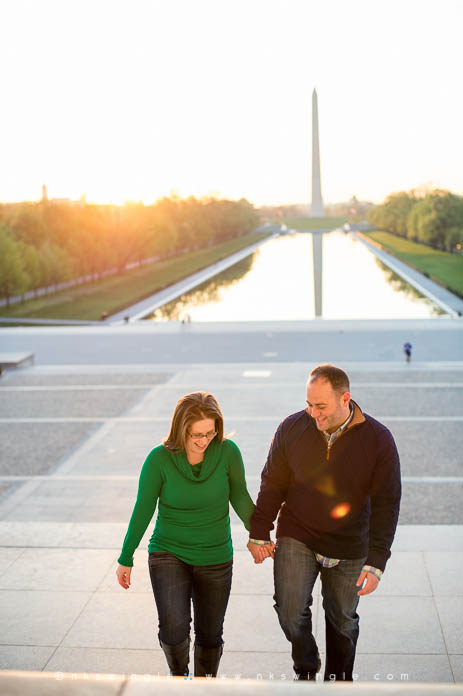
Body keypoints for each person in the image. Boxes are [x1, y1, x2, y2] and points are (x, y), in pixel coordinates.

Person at [247, 364, 401, 682]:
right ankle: (306, 666)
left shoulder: (378, 439)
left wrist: (376, 562)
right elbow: (272, 482)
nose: (313, 414)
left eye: (321, 406)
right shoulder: (292, 428)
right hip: (298, 532)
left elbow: (387, 504)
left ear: (345, 399)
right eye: (308, 404)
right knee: (289, 611)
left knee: (343, 619)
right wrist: (260, 531)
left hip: (351, 542)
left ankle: (338, 681)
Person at [116, 392, 254, 678]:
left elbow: (240, 497)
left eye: (210, 432)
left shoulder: (228, 452)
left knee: (210, 633)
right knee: (173, 626)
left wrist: (261, 534)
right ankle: (178, 677)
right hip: (169, 550)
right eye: (196, 435)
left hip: (215, 555)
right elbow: (143, 509)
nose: (204, 441)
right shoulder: (159, 459)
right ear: (181, 430)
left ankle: (205, 684)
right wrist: (126, 556)